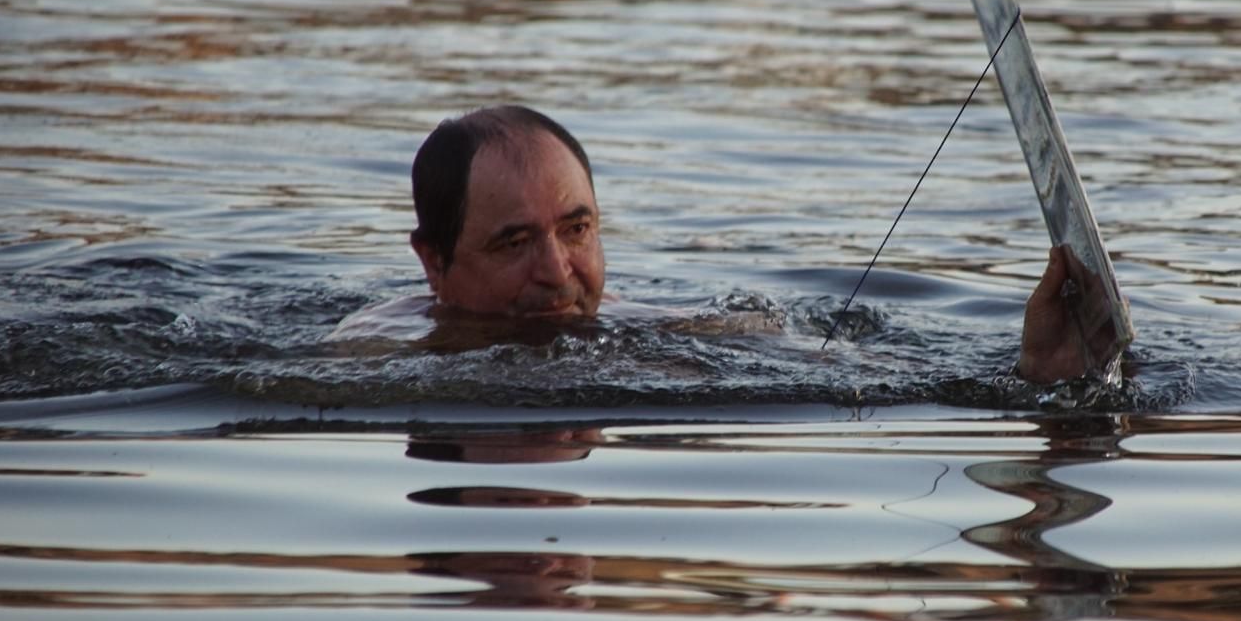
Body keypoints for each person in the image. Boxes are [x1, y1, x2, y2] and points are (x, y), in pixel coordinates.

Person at [338, 104, 1118, 382]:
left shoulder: (658, 328)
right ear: (433, 263)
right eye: (514, 243)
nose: (558, 272)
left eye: (577, 230)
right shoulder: (378, 358)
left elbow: (833, 370)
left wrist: (1036, 379)